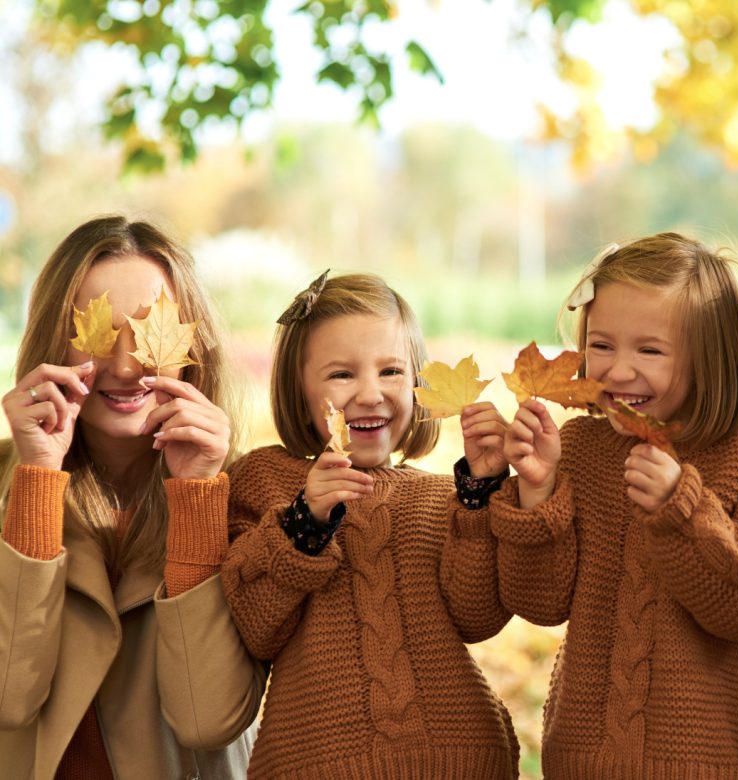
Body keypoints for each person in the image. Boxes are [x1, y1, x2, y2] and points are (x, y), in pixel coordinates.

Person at [478, 233, 738, 777]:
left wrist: (684, 508)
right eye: (602, 345)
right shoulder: (582, 450)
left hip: (707, 762)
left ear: (711, 358)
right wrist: (539, 490)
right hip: (582, 759)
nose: (615, 370)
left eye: (649, 350)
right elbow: (539, 600)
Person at [220, 272, 519, 779]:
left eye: (391, 371)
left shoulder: (438, 496)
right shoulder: (266, 481)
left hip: (456, 757)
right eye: (341, 375)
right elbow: (254, 628)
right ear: (299, 386)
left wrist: (479, 495)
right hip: (316, 764)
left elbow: (478, 616)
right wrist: (304, 525)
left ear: (418, 384)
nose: (369, 393)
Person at [0, 216, 263, 779]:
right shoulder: (11, 482)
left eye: (150, 333)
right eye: (95, 332)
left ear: (192, 347)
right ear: (53, 342)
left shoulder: (247, 494)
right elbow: (8, 697)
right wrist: (38, 480)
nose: (125, 366)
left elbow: (208, 720)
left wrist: (195, 497)